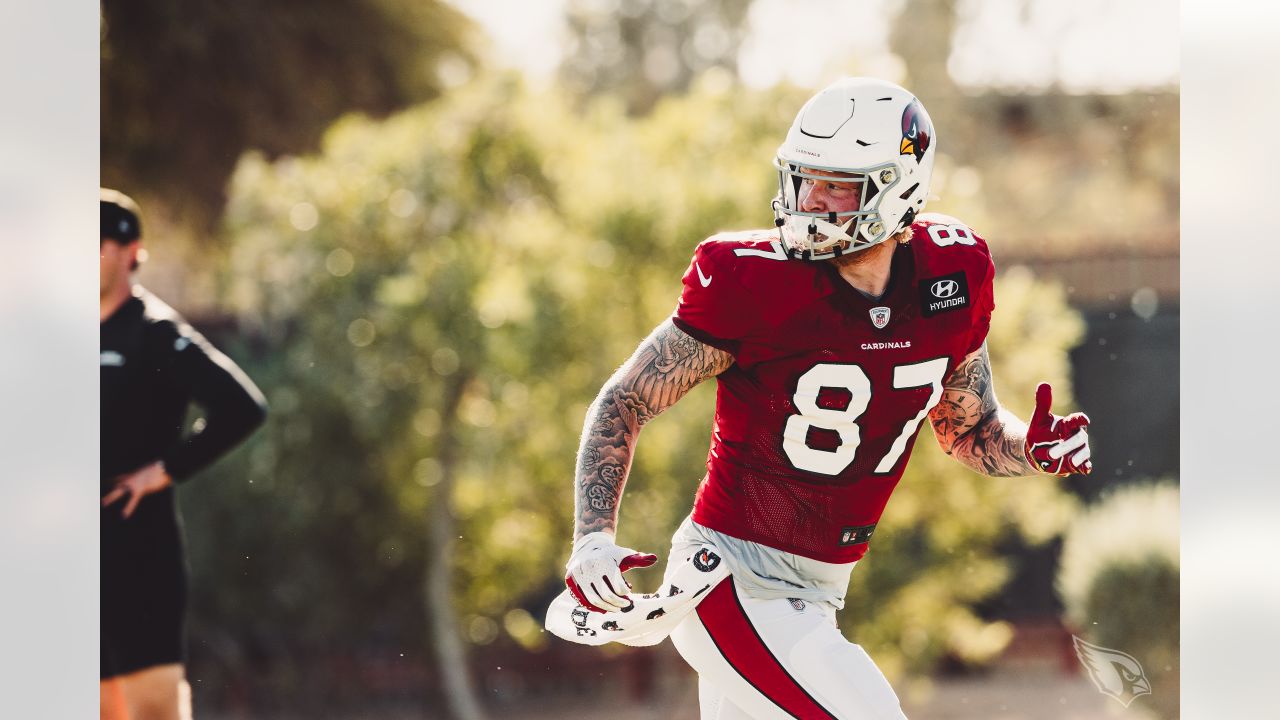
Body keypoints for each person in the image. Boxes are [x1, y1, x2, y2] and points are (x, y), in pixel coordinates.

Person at [550, 78, 1093, 719]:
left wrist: (1032, 450)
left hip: (819, 590)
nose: (812, 200)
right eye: (803, 179)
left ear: (897, 188)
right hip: (733, 580)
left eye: (837, 184)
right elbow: (625, 400)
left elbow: (967, 430)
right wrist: (591, 538)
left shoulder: (954, 273)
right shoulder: (750, 277)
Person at [100, 188, 268, 720]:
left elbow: (242, 407)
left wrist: (163, 471)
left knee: (151, 709)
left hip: (139, 553)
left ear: (130, 252)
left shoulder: (155, 333)